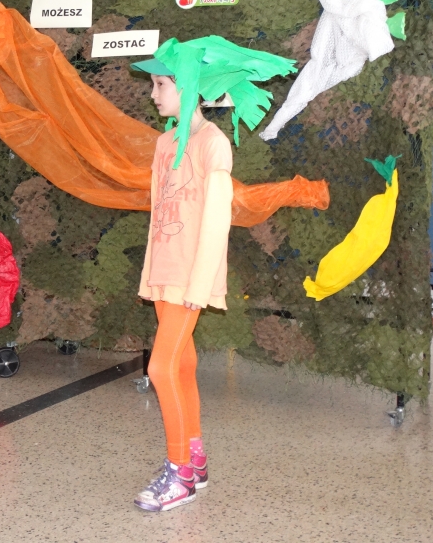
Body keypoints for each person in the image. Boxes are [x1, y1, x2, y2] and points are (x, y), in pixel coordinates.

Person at [128, 37, 294, 513]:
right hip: (164, 274)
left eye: (161, 84)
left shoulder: (213, 144)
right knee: (180, 365)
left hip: (190, 279)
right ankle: (195, 462)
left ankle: (179, 473)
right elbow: (159, 215)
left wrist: (200, 286)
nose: (153, 94)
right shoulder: (164, 143)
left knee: (159, 367)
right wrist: (151, 277)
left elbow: (217, 220)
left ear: (187, 86)